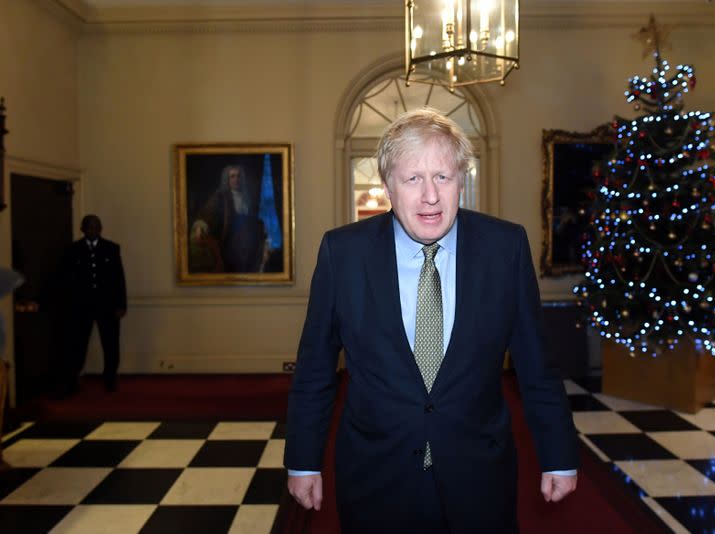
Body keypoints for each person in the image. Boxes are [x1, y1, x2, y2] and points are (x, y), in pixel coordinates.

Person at [285, 109, 578, 533]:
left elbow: (537, 367)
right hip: (376, 477)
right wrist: (303, 460)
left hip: (479, 477)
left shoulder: (505, 248)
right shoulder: (342, 254)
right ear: (387, 187)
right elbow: (315, 370)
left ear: (462, 180)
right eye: (412, 179)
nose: (430, 197)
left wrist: (558, 454)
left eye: (443, 177)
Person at [62, 215, 126, 394]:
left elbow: (119, 278)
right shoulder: (74, 250)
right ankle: (72, 379)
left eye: (96, 227)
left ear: (101, 228)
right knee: (78, 344)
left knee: (111, 344)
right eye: (89, 227)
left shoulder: (111, 249)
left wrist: (121, 304)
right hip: (82, 306)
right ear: (82, 229)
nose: (93, 230)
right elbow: (68, 279)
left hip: (107, 305)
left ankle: (110, 379)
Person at [190, 164, 269, 273]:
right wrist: (200, 226)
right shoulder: (220, 196)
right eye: (232, 176)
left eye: (238, 176)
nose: (236, 179)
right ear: (227, 179)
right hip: (229, 240)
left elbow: (252, 220)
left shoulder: (246, 197)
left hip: (247, 241)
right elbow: (207, 213)